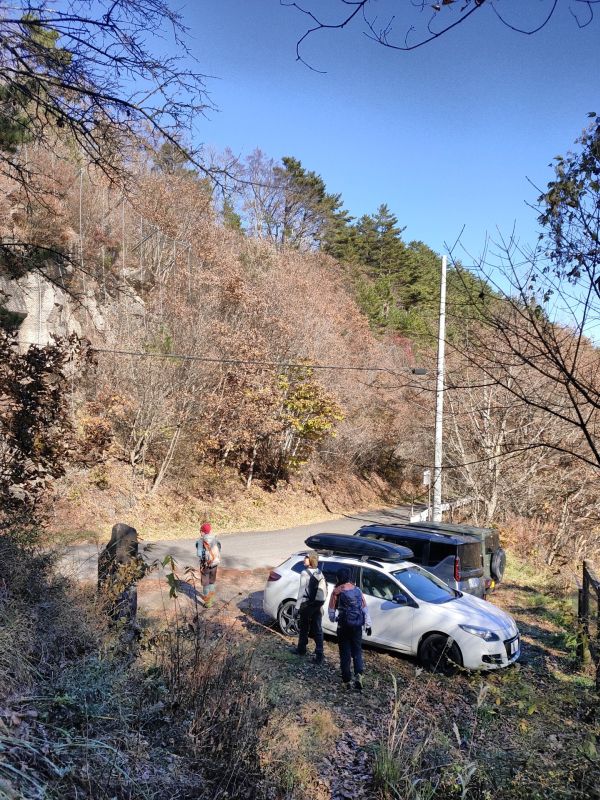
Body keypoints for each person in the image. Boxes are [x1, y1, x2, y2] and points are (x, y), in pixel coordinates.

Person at [328, 567, 372, 691]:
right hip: (357, 625)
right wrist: (368, 624)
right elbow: (365, 608)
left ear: (339, 577)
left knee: (345, 653)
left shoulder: (337, 591)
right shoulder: (357, 590)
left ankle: (346, 681)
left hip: (343, 626)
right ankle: (359, 675)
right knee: (357, 651)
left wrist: (334, 618)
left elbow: (331, 612)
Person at [290, 552, 327, 664]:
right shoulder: (320, 572)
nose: (304, 559)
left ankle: (301, 649)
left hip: (307, 604)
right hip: (318, 604)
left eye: (306, 558)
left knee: (304, 627)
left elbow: (301, 591)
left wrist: (296, 608)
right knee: (317, 629)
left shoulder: (304, 573)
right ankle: (319, 655)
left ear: (310, 560)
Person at [195, 522, 221, 608]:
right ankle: (212, 599)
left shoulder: (200, 541)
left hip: (205, 565)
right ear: (210, 531)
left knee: (205, 584)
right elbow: (219, 549)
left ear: (202, 531)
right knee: (212, 582)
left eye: (201, 531)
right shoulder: (215, 539)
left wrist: (200, 548)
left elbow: (199, 554)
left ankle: (208, 603)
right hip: (214, 564)